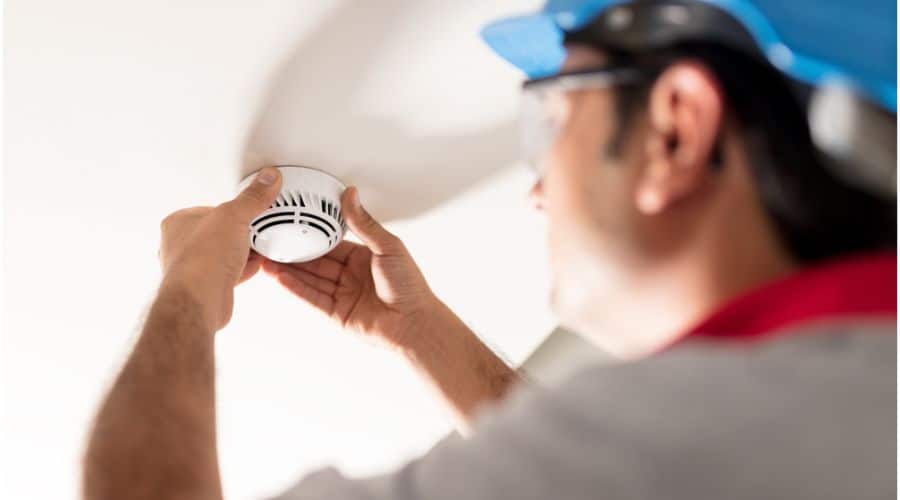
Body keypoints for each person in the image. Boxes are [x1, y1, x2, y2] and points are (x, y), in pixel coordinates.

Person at [82, 1, 897, 499]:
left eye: (549, 119)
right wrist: (418, 330)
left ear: (676, 130)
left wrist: (187, 288)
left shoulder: (704, 443)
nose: (534, 191)